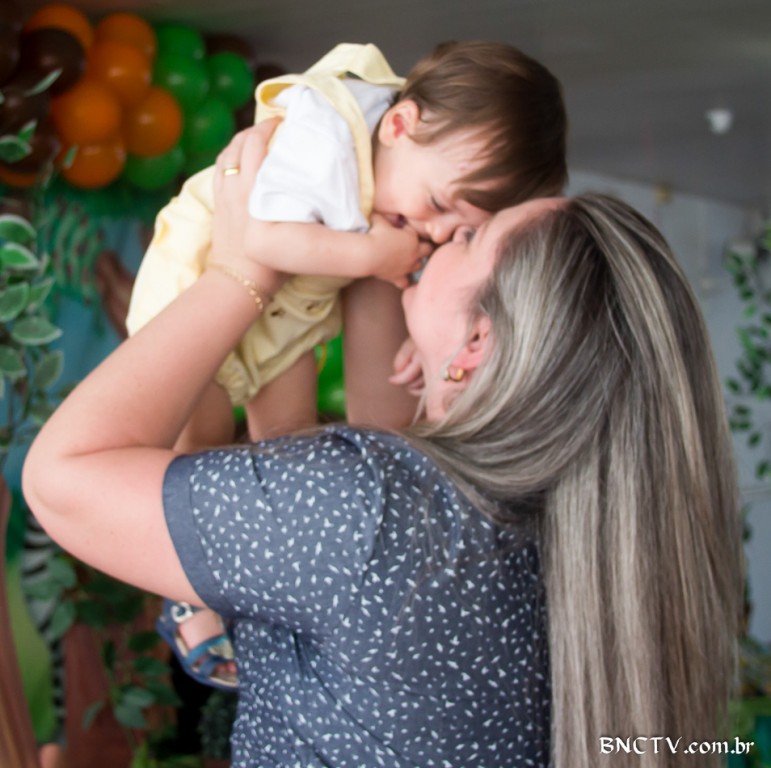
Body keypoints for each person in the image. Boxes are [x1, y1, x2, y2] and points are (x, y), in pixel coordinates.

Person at [22, 122, 742, 768]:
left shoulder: (373, 512)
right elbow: (378, 402)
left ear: (477, 341)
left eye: (469, 238)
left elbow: (63, 478)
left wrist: (241, 272)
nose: (442, 236)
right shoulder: (589, 542)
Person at [126, 39, 568, 687]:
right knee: (200, 457)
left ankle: (250, 599)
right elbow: (257, 239)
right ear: (399, 125)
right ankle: (190, 596)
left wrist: (419, 327)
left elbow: (407, 277)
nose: (432, 233)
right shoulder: (328, 132)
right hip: (196, 291)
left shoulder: (408, 181)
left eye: (461, 232)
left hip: (283, 325)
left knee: (287, 455)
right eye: (441, 209)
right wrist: (377, 262)